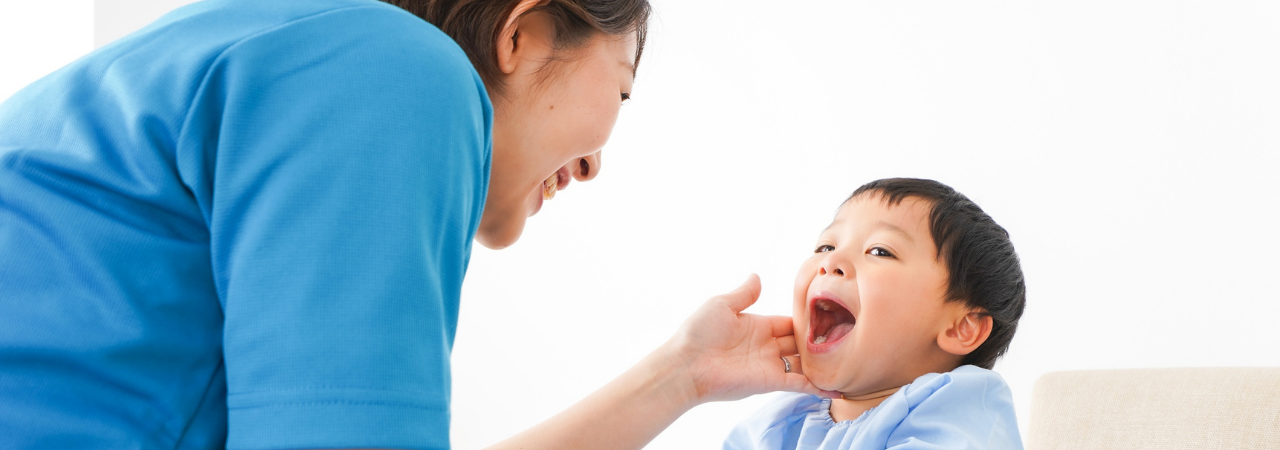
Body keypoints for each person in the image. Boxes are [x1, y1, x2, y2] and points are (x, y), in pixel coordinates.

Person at [0, 0, 834, 448]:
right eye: (619, 88)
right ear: (522, 31)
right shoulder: (391, 67)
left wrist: (683, 376)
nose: (594, 165)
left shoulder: (282, 40)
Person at [723, 178, 1027, 450]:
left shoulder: (961, 414)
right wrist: (696, 376)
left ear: (961, 327)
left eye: (880, 251)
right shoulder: (782, 420)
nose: (831, 262)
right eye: (826, 246)